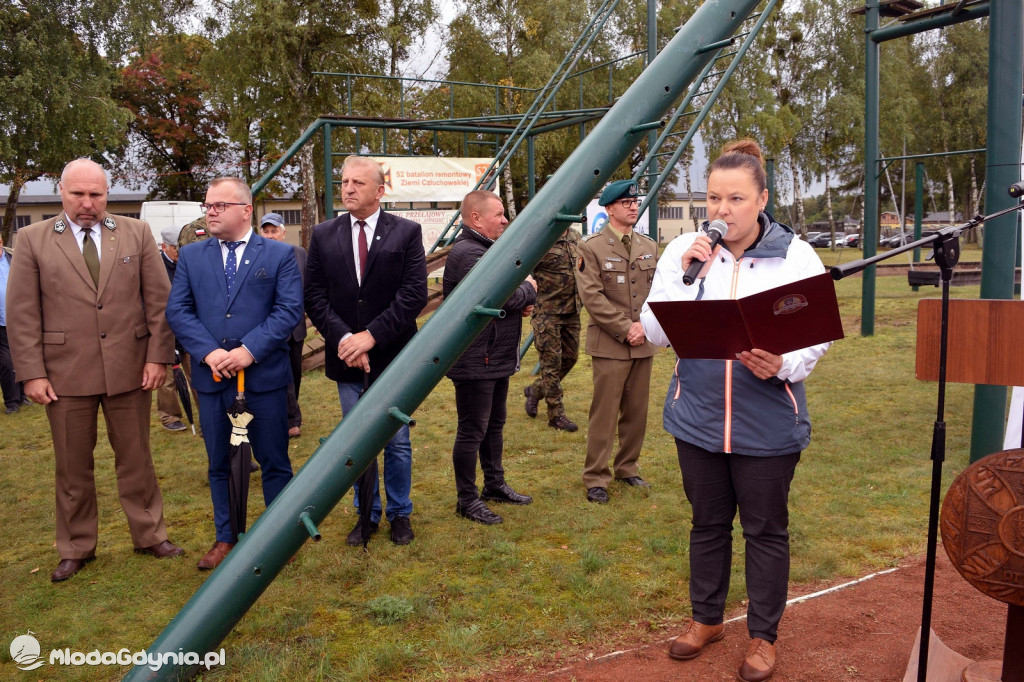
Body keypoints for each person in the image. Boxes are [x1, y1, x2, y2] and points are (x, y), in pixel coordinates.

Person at [640, 139, 831, 682]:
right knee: (707, 524)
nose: (722, 210)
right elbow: (653, 334)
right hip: (697, 418)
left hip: (766, 421)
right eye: (714, 198)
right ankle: (707, 620)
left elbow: (816, 335)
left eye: (736, 199)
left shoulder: (796, 255)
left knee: (766, 529)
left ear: (761, 199)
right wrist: (679, 274)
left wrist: (785, 361)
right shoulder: (687, 252)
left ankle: (763, 637)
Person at [6, 158, 184, 582]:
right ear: (61, 193)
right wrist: (31, 372)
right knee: (72, 466)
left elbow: (159, 302)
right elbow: (23, 312)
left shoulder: (136, 232)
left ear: (107, 193)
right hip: (64, 375)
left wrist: (159, 357)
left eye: (96, 194)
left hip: (130, 369)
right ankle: (76, 546)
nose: (87, 203)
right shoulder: (31, 239)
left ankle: (149, 534)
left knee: (137, 460)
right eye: (78, 194)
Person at [166, 177, 303, 571]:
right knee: (220, 462)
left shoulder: (278, 255)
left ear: (246, 210)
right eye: (207, 205)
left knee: (273, 459)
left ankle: (280, 536)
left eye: (219, 205)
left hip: (264, 381)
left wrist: (247, 351)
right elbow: (178, 311)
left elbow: (288, 311)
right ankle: (227, 536)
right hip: (212, 381)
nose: (210, 211)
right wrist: (210, 352)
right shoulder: (192, 258)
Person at [305, 155, 427, 546]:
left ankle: (399, 514)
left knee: (397, 440)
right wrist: (346, 340)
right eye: (344, 182)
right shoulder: (324, 234)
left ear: (380, 190)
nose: (349, 188)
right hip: (347, 358)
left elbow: (413, 297)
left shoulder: (406, 233)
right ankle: (366, 514)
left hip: (392, 356)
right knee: (357, 442)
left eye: (358, 182)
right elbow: (314, 296)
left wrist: (371, 337)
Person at [443, 190, 537, 525]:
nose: (504, 219)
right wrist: (528, 288)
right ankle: (466, 500)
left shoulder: (487, 250)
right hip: (474, 359)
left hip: (493, 356)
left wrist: (520, 296)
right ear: (476, 218)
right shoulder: (469, 252)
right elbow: (500, 295)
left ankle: (494, 484)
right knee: (472, 430)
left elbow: (508, 299)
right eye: (498, 214)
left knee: (494, 425)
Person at [575, 179, 658, 504]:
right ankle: (596, 477)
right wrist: (627, 328)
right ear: (609, 208)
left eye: (635, 202)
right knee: (605, 413)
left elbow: (658, 293)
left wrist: (644, 326)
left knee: (637, 412)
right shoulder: (591, 246)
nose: (633, 206)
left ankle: (627, 467)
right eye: (626, 203)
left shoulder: (648, 246)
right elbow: (592, 297)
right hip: (611, 344)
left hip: (643, 342)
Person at [524, 225, 581, 432]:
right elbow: (521, 268)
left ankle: (536, 390)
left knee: (570, 358)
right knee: (551, 365)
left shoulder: (575, 235)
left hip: (572, 311)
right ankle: (556, 415)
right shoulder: (541, 237)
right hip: (547, 312)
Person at [259, 212, 306, 439]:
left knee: (295, 372)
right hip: (269, 328)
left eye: (274, 231)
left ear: (283, 233)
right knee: (280, 373)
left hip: (295, 328)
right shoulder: (255, 256)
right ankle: (290, 418)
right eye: (266, 231)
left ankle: (291, 411)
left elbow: (308, 287)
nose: (270, 236)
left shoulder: (299, 254)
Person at [154, 225, 188, 432]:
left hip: (187, 329)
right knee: (167, 380)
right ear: (164, 246)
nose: (179, 252)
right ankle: (170, 416)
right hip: (164, 330)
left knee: (198, 375)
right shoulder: (156, 266)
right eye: (176, 248)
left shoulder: (186, 263)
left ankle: (206, 412)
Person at [0, 232, 27, 413]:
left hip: (18, 319)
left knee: (22, 359)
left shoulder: (13, 257)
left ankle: (23, 396)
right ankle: (12, 402)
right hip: (0, 323)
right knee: (6, 363)